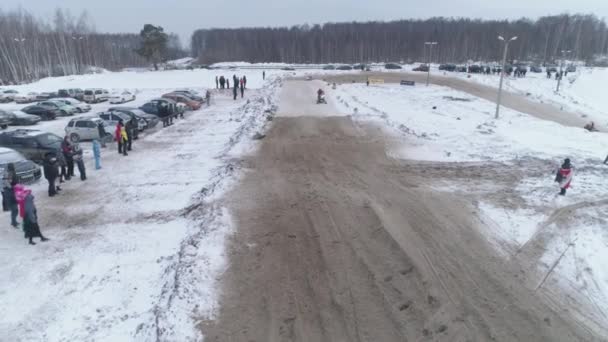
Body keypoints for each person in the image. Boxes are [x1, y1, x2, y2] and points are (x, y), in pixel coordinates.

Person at [3, 163, 18, 228]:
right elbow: (6, 182)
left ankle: (14, 221)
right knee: (14, 209)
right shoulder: (9, 173)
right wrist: (11, 187)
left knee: (15, 209)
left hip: (12, 192)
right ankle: (13, 222)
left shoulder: (11, 173)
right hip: (10, 193)